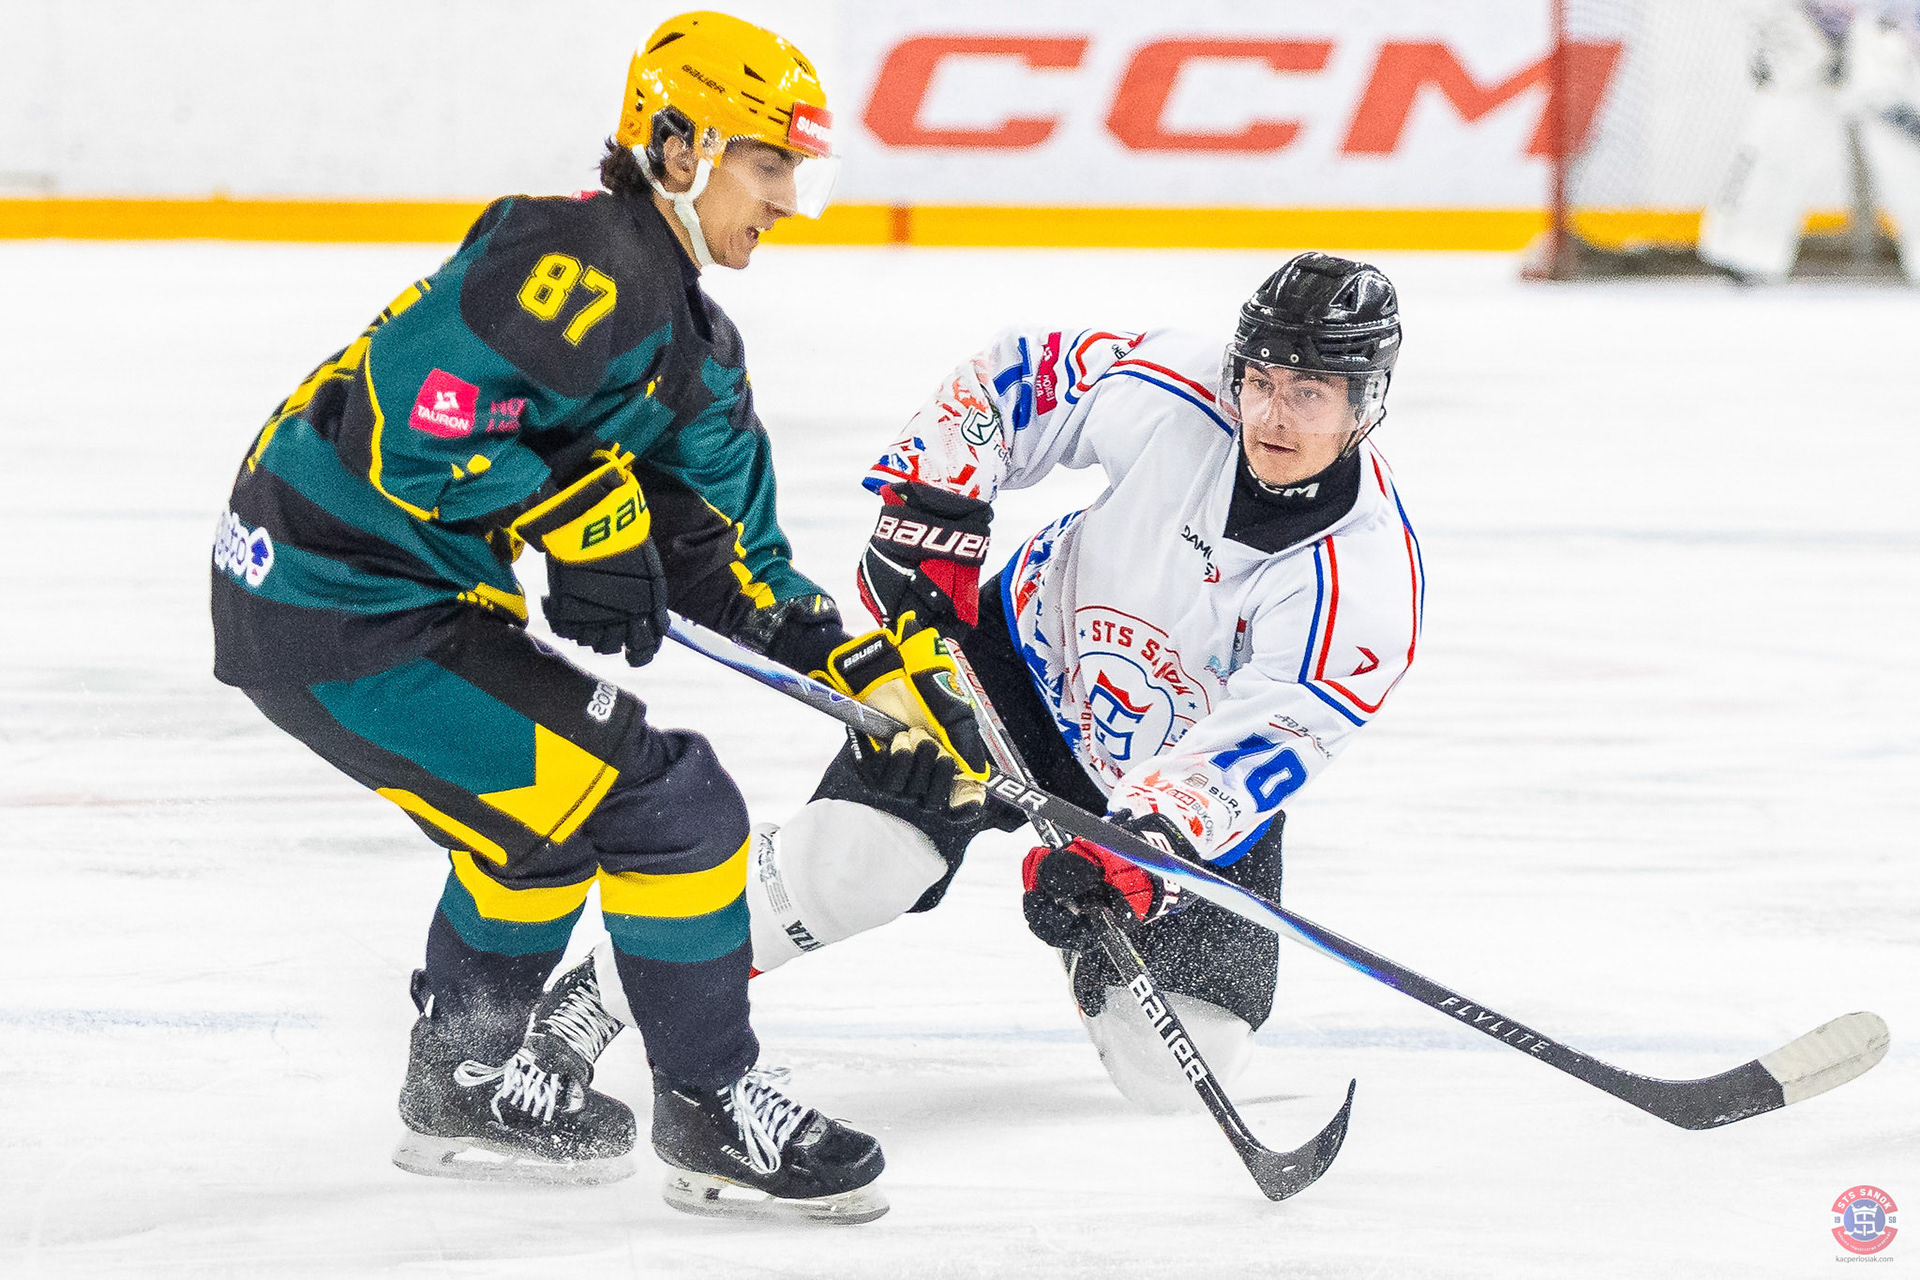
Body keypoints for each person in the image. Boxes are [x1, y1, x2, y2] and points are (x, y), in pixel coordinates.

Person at [208, 10, 982, 1223]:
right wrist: (579, 515)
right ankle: (711, 1108)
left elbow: (729, 558)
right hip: (332, 597)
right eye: (767, 163)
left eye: (798, 170)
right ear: (677, 146)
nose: (788, 200)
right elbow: (415, 423)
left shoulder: (693, 348)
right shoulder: (580, 258)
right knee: (675, 806)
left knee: (539, 834)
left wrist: (859, 668)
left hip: (370, 599)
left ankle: (461, 1077)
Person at [738, 252, 1423, 1112]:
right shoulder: (1180, 386)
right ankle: (620, 990)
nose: (1269, 415)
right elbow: (1009, 381)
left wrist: (1146, 851)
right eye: (1259, 381)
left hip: (1173, 773)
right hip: (1011, 670)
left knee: (1182, 1071)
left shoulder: (1365, 585)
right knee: (859, 866)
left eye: (1308, 393)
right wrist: (932, 507)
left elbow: (1265, 745)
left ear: (1366, 404)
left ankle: (1091, 928)